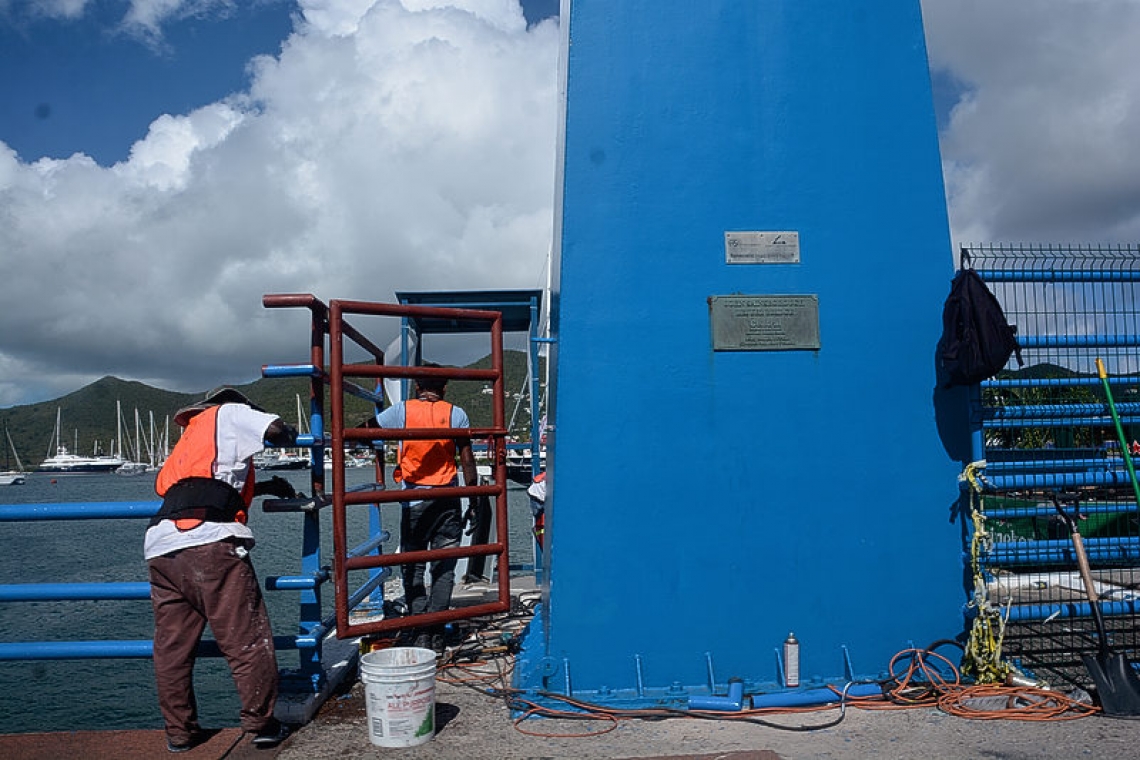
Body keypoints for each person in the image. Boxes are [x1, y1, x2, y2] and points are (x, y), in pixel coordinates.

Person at [144, 387, 298, 753]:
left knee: (172, 648)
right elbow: (276, 431)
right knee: (246, 638)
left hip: (162, 544)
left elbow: (200, 487)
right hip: (209, 543)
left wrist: (260, 487)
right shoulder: (229, 413)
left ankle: (180, 732)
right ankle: (261, 723)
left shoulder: (191, 436)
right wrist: (291, 432)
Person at [375, 364, 478, 654]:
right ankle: (436, 633)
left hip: (415, 501)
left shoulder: (401, 411)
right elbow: (467, 459)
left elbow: (364, 431)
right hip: (448, 498)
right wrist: (475, 498)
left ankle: (420, 629)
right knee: (444, 567)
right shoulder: (455, 413)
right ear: (444, 388)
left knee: (414, 565)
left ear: (418, 387)